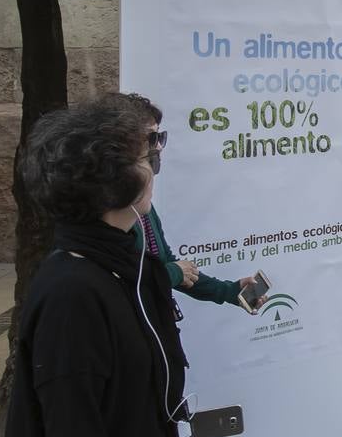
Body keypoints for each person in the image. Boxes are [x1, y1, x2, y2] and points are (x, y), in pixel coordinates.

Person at [0, 98, 194, 437]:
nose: (154, 169)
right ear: (112, 181)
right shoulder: (74, 294)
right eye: (148, 157)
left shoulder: (121, 265)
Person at [105, 93, 266, 312]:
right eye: (152, 138)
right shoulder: (109, 217)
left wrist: (229, 292)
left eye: (160, 136)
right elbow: (126, 278)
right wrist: (174, 272)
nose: (159, 147)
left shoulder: (143, 207)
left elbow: (165, 263)